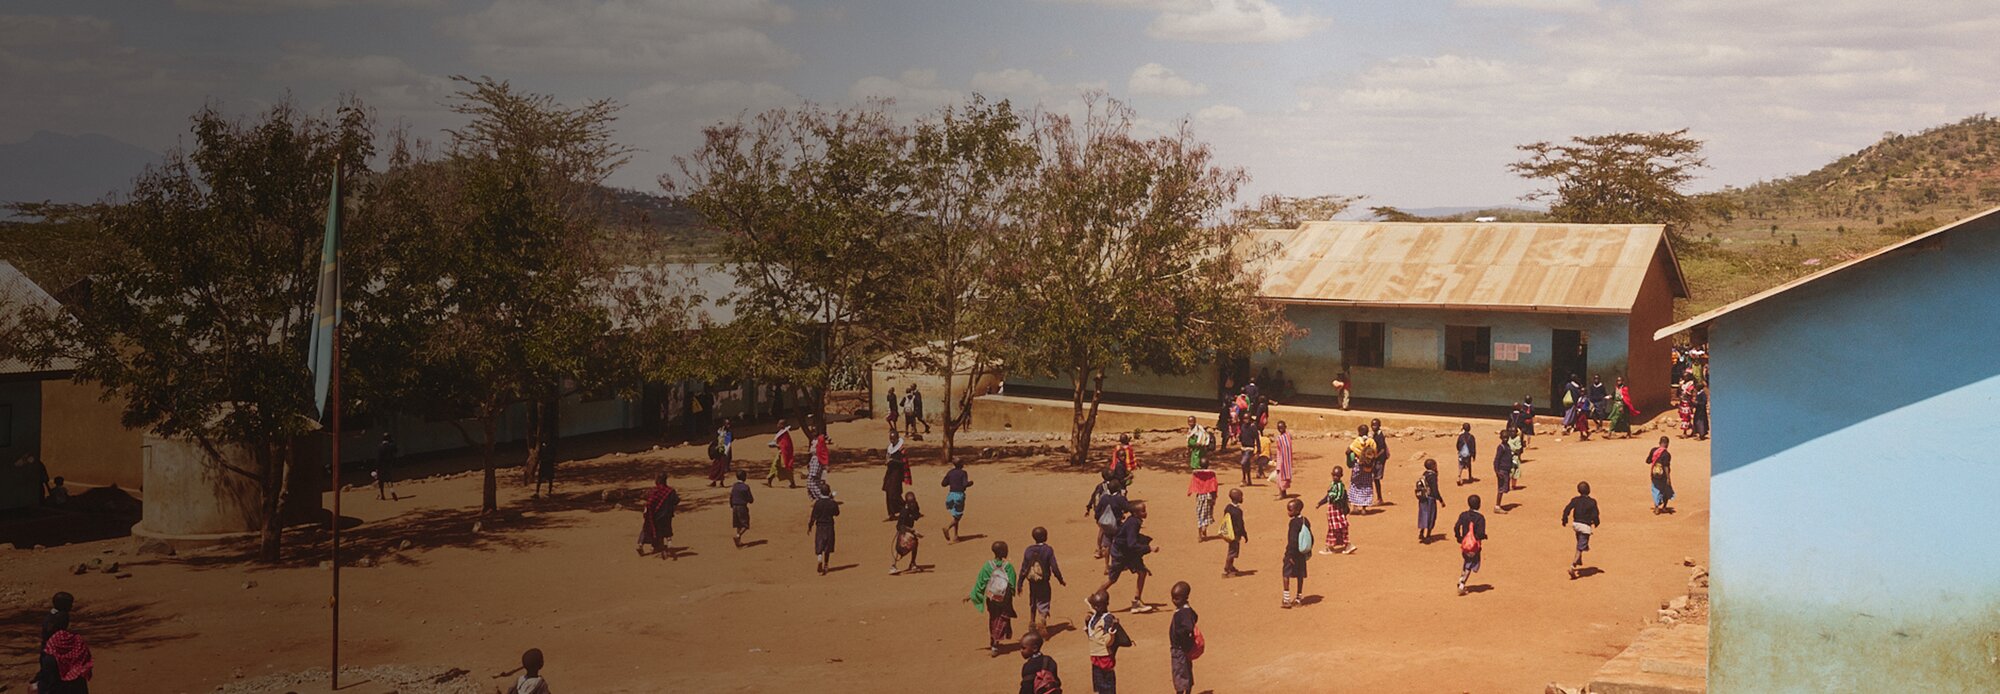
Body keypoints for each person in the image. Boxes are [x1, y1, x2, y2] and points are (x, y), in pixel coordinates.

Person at [1098, 500, 1159, 613]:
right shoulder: (1133, 523)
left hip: (1126, 553)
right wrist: (1148, 548)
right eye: (1143, 511)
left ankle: (1137, 601)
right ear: (1135, 513)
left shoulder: (1134, 521)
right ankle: (1095, 599)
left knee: (1142, 572)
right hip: (1121, 554)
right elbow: (1132, 544)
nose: (1145, 513)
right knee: (1112, 579)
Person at [970, 540, 1019, 656]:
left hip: (991, 599)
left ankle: (993, 639)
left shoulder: (987, 566)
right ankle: (996, 643)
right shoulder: (1008, 567)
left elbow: (981, 583)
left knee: (993, 618)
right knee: (1002, 618)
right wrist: (1009, 594)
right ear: (1004, 552)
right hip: (1004, 600)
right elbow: (1012, 583)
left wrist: (973, 595)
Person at [1083, 590, 1133, 694]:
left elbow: (1108, 641)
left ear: (1106, 604)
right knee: (1099, 686)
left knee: (1107, 685)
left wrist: (1111, 632)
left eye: (1098, 606)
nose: (1096, 608)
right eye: (1095, 606)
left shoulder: (1108, 619)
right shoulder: (1094, 617)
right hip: (1095, 657)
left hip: (1104, 657)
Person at [1021, 527, 1067, 638]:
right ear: (1045, 537)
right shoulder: (1048, 550)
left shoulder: (1028, 550)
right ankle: (1042, 620)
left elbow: (1024, 568)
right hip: (1044, 582)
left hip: (1032, 582)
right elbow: (1054, 567)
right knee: (1044, 601)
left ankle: (1032, 622)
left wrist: (1020, 583)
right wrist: (1060, 579)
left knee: (1033, 600)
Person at [34, 611, 91, 694]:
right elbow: (86, 661)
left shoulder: (52, 643)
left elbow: (47, 668)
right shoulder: (78, 640)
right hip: (78, 687)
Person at [1561, 481, 1600, 579]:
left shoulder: (1575, 500)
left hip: (1576, 524)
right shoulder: (1592, 502)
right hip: (1585, 527)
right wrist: (1596, 522)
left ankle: (1579, 559)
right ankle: (1572, 566)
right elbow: (1595, 514)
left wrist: (1564, 519)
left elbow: (1567, 509)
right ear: (1589, 491)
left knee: (1580, 542)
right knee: (1580, 547)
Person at [638, 472, 679, 559]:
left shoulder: (653, 491)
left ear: (657, 480)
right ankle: (669, 544)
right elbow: (676, 501)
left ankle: (641, 544)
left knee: (646, 528)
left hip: (654, 515)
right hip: (666, 515)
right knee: (666, 530)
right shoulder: (670, 491)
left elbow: (649, 501)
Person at [1167, 581, 1198, 694]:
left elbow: (1188, 627)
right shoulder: (1186, 609)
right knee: (1186, 670)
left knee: (1179, 673)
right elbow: (1195, 616)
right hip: (1184, 648)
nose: (1174, 601)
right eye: (1173, 598)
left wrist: (1181, 634)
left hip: (1179, 649)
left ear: (1185, 597)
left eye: (1177, 598)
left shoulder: (1183, 612)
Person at [1454, 495, 1489, 596]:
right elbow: (1481, 533)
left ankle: (1461, 578)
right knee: (1470, 563)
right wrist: (1484, 537)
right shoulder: (1480, 518)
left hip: (1464, 544)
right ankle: (1462, 584)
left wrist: (1459, 537)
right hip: (1474, 545)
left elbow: (1456, 527)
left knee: (1466, 561)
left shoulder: (1463, 515)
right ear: (1479, 505)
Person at [1315, 466, 1354, 554]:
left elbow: (1342, 498)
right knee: (1333, 527)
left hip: (1337, 510)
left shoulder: (1340, 487)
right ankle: (1332, 546)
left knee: (1339, 527)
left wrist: (1345, 508)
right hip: (1332, 511)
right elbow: (1328, 496)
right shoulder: (1333, 485)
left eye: (1338, 475)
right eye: (1334, 475)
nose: (1335, 477)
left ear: (1341, 476)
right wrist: (1320, 503)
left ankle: (1340, 545)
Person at [1282, 497, 1311, 607]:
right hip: (1301, 554)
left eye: (1290, 509)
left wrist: (1289, 555)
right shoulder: (1305, 520)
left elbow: (1292, 540)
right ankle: (1299, 598)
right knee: (1300, 575)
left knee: (1286, 574)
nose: (1288, 512)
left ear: (1297, 510)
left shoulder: (1293, 523)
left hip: (1292, 553)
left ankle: (1286, 599)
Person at [809, 483, 842, 575]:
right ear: (829, 492)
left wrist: (810, 526)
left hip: (820, 526)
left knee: (819, 543)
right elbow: (837, 513)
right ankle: (826, 564)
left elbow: (813, 516)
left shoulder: (818, 503)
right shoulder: (832, 503)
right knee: (828, 545)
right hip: (829, 525)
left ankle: (819, 558)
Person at [890, 491, 924, 575]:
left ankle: (912, 563)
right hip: (903, 530)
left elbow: (916, 515)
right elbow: (899, 526)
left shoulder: (916, 506)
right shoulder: (904, 512)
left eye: (914, 502)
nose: (913, 504)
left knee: (915, 543)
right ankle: (893, 566)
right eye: (911, 503)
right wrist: (911, 531)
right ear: (907, 503)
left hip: (910, 530)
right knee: (899, 548)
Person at [941, 459, 975, 542]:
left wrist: (952, 481)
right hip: (959, 496)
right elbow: (964, 484)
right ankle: (947, 528)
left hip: (950, 496)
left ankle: (956, 536)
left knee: (955, 516)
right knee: (957, 517)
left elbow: (943, 484)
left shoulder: (950, 472)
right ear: (960, 464)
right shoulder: (963, 473)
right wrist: (970, 483)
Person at [1347, 425, 1378, 514]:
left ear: (1359, 432)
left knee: (1355, 485)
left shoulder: (1357, 441)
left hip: (1358, 466)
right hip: (1368, 468)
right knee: (1367, 485)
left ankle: (1355, 506)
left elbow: (1349, 450)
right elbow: (1375, 452)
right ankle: (1364, 508)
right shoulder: (1371, 441)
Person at [1219, 488, 1248, 577]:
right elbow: (1240, 525)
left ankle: (1231, 567)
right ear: (1237, 498)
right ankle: (1226, 570)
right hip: (1235, 535)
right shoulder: (1238, 511)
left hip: (1229, 533)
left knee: (1232, 550)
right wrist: (1244, 534)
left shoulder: (1228, 507)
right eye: (1241, 496)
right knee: (1232, 552)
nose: (1242, 498)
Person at [1415, 458, 1445, 543]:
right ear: (1432, 466)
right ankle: (1428, 535)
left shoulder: (1424, 474)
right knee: (1431, 516)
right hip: (1430, 499)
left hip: (1423, 499)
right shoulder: (1433, 476)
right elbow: (1435, 490)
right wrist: (1441, 500)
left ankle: (1421, 532)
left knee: (1423, 515)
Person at [884, 432, 911, 520]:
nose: (891, 440)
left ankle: (906, 508)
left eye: (893, 439)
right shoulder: (890, 448)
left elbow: (903, 463)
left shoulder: (901, 449)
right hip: (890, 473)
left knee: (894, 494)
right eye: (890, 438)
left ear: (897, 438)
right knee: (888, 493)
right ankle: (891, 513)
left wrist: (893, 461)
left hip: (897, 474)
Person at [1187, 468, 1219, 542]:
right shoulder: (1211, 475)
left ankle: (1199, 535)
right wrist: (1214, 498)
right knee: (1208, 515)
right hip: (1209, 497)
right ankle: (1205, 528)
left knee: (1200, 515)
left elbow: (1193, 483)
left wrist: (1190, 492)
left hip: (1200, 497)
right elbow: (1214, 486)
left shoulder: (1197, 475)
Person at [805, 422, 833, 500]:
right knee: (816, 481)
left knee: (811, 480)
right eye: (812, 430)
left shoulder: (820, 439)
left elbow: (823, 451)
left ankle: (821, 497)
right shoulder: (814, 440)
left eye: (814, 430)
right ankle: (823, 495)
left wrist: (825, 464)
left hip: (817, 460)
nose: (813, 431)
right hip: (813, 460)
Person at [765, 419, 796, 488]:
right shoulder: (782, 434)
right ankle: (770, 479)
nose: (777, 425)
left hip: (784, 454)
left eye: (779, 424)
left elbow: (785, 445)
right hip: (782, 453)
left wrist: (775, 445)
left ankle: (792, 482)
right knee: (775, 466)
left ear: (783, 425)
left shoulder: (785, 435)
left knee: (782, 468)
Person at [1648, 437, 1675, 514]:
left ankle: (1656, 507)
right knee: (1665, 490)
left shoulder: (1653, 450)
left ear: (1659, 442)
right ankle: (1664, 507)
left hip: (1654, 474)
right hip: (1663, 475)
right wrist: (1668, 478)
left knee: (1655, 489)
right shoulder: (1666, 454)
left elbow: (1648, 460)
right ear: (1667, 444)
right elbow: (1666, 466)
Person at [729, 471, 754, 548]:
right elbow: (750, 499)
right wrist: (750, 500)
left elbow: (731, 496)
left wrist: (731, 505)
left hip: (735, 506)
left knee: (738, 524)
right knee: (745, 524)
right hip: (742, 507)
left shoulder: (734, 486)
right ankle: (738, 535)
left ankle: (739, 541)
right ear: (744, 477)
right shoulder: (745, 487)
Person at [1492, 431, 1515, 513]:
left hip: (1507, 470)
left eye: (1507, 437)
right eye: (1504, 437)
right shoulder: (1501, 447)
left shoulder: (1507, 446)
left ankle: (1498, 505)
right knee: (1501, 489)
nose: (1505, 439)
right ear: (1501, 438)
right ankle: (1497, 506)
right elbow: (1496, 460)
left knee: (1504, 488)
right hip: (1502, 471)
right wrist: (1497, 472)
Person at [706, 419, 734, 488]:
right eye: (727, 424)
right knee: (716, 467)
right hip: (718, 452)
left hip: (724, 452)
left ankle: (721, 482)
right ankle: (714, 481)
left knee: (722, 467)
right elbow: (716, 439)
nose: (728, 425)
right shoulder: (720, 431)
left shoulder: (729, 432)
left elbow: (729, 441)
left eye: (729, 424)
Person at [1272, 420, 1294, 498]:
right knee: (1281, 477)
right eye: (1279, 428)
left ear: (1285, 427)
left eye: (1282, 427)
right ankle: (1283, 492)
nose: (1280, 429)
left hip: (1284, 460)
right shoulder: (1285, 437)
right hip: (1282, 459)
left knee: (1281, 477)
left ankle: (1282, 493)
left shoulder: (1285, 437)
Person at [374, 433, 399, 501]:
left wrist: (376, 467)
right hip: (388, 465)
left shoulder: (380, 447)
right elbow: (396, 450)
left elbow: (378, 458)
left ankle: (382, 495)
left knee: (381, 480)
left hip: (381, 466)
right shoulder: (391, 446)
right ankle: (392, 490)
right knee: (389, 479)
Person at [1369, 418, 1391, 493]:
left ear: (1379, 425)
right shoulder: (1375, 435)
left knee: (1376, 478)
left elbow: (1382, 449)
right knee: (1375, 479)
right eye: (1372, 425)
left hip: (1380, 460)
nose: (1373, 427)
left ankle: (1379, 498)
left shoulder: (1380, 436)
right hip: (1377, 459)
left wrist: (1376, 456)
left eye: (1375, 425)